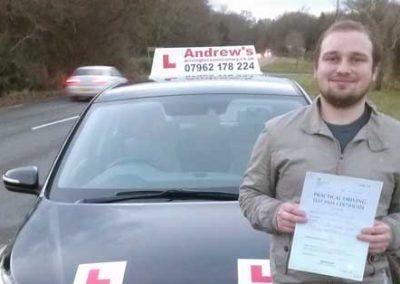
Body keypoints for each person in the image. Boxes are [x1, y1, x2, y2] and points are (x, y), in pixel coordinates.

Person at [239, 19, 400, 283]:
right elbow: (250, 194)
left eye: (357, 59)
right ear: (316, 68)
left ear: (374, 70)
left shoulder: (396, 139)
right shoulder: (277, 133)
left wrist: (391, 232)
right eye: (332, 58)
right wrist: (275, 214)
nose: (343, 68)